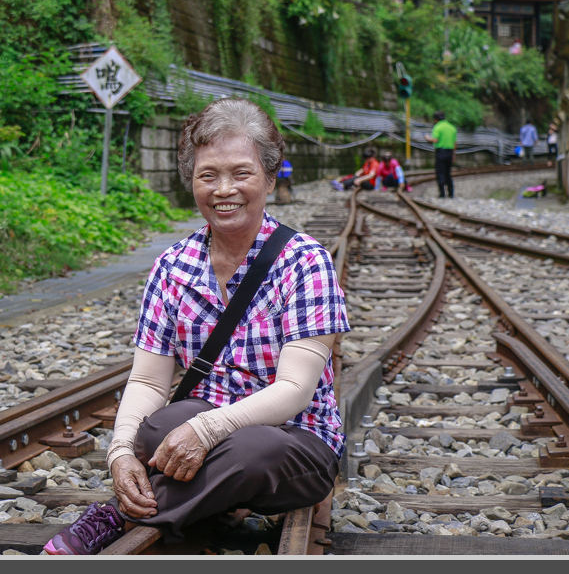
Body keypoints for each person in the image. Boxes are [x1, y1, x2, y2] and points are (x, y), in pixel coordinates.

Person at [45, 98, 348, 555]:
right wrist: (121, 450)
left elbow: (295, 390)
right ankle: (210, 498)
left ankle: (115, 516)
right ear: (192, 181)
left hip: (294, 441)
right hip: (210, 426)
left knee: (251, 451)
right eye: (209, 175)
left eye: (241, 173)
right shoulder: (172, 267)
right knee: (150, 433)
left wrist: (207, 431)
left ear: (269, 178)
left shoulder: (305, 263)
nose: (224, 189)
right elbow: (148, 378)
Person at [426, 111, 456, 199]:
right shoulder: (452, 127)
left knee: (440, 173)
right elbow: (455, 143)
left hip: (441, 152)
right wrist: (454, 154)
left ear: (436, 119)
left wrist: (427, 138)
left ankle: (442, 194)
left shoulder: (437, 127)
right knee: (448, 173)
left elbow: (435, 140)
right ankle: (451, 193)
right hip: (450, 152)